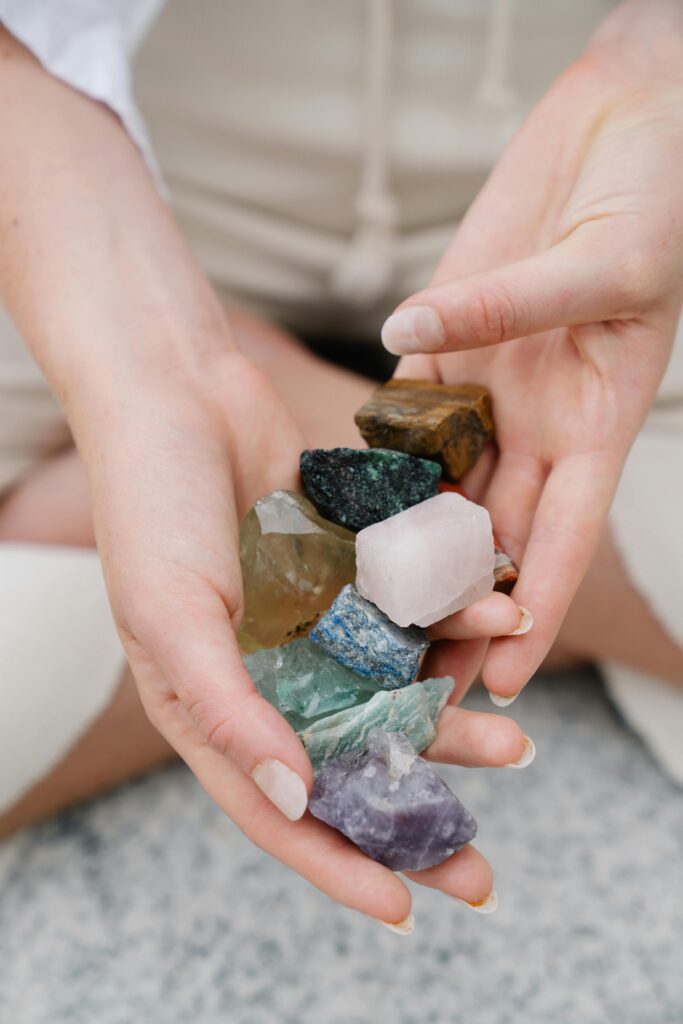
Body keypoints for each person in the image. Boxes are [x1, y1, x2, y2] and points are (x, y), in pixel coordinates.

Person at [1, 0, 682, 934]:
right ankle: (545, 583)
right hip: (122, 174)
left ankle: (304, 428)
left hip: (583, 167)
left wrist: (658, 62)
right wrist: (146, 363)